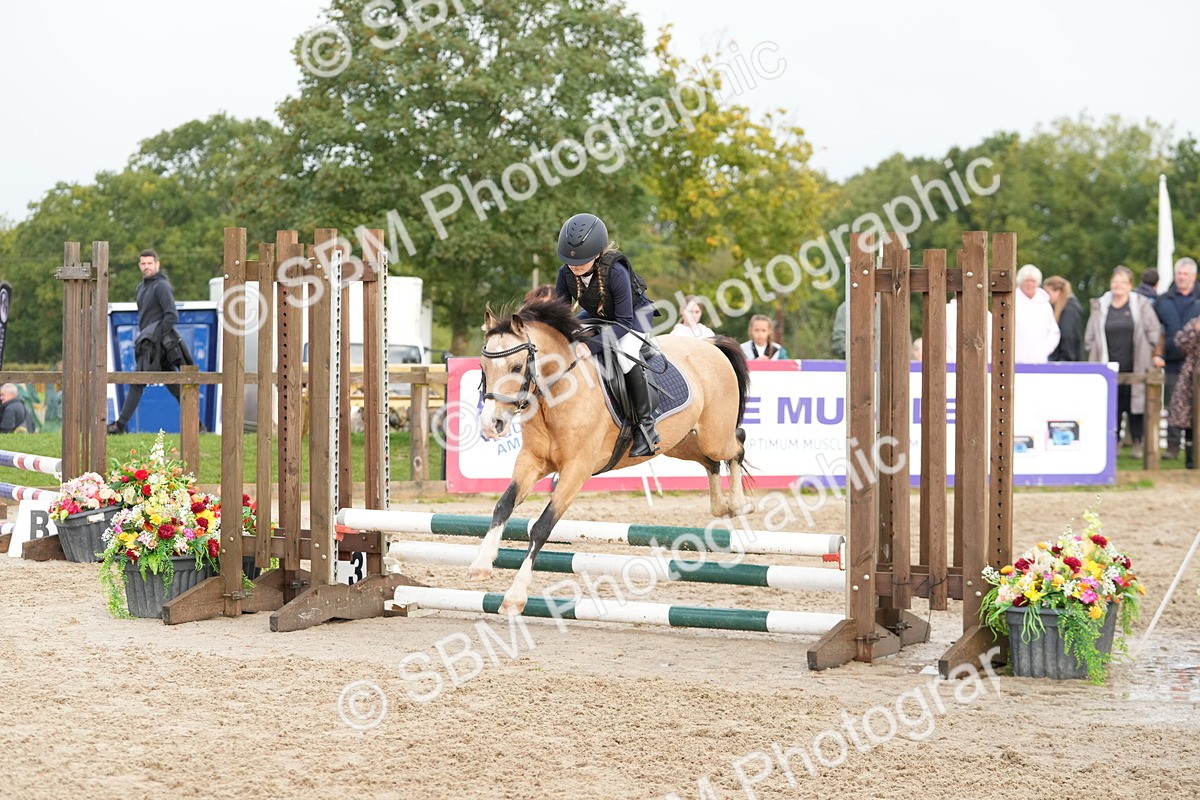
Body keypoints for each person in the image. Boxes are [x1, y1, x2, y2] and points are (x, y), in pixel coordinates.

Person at [553, 213, 661, 457]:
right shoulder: (565, 273)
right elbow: (561, 314)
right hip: (601, 315)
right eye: (571, 261)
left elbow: (623, 323)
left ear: (598, 254)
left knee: (625, 354)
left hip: (633, 317)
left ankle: (646, 427)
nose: (575, 267)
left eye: (582, 261)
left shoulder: (616, 272)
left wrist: (590, 346)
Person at [107, 250, 192, 434]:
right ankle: (198, 426)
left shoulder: (161, 286)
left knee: (138, 381)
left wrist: (155, 338)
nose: (146, 267)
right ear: (140, 266)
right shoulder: (141, 287)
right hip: (151, 344)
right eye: (143, 264)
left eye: (149, 263)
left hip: (157, 345)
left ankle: (119, 426)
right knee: (174, 385)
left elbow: (171, 316)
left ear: (157, 264)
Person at [1085, 265, 1160, 458]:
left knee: (1136, 405)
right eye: (1115, 281)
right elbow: (1090, 335)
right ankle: (1114, 442)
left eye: (1123, 282)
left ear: (1130, 285)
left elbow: (1154, 330)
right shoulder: (1100, 305)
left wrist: (1149, 349)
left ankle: (1137, 442)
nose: (1118, 285)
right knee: (1112, 406)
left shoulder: (1141, 304)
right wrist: (1092, 349)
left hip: (1135, 363)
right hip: (1107, 366)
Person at [1152, 257, 1200, 459]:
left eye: (1185, 274)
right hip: (1171, 361)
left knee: (1196, 404)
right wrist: (1157, 353)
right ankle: (1172, 447)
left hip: (1196, 363)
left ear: (1193, 276)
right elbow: (1156, 330)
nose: (1181, 277)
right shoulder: (1163, 300)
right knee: (1174, 404)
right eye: (1179, 273)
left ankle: (1193, 447)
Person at [1168, 316, 1200, 468]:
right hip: (1192, 379)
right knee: (1191, 421)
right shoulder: (1194, 324)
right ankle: (1191, 462)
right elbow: (1182, 345)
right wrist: (1196, 331)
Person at [1014, 264, 1060, 363]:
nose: (1030, 284)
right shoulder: (1012, 302)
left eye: (1033, 281)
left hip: (1039, 359)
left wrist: (1043, 351)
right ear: (1020, 282)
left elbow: (1054, 332)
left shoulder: (1044, 304)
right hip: (1015, 358)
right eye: (1027, 280)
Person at [1043, 275, 1085, 361]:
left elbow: (1068, 336)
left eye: (1048, 292)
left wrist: (1065, 359)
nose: (1046, 297)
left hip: (1065, 360)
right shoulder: (1065, 308)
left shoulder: (1069, 310)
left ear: (1058, 291)